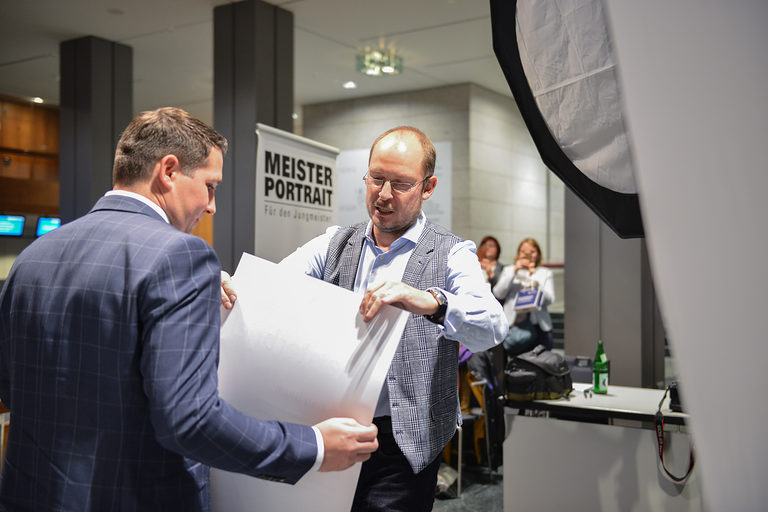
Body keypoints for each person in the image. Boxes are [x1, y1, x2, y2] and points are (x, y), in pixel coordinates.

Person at [0, 107, 378, 512]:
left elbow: (12, 386)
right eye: (210, 186)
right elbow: (190, 421)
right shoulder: (181, 256)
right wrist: (314, 446)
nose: (212, 206)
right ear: (168, 171)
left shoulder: (34, 256)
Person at [222, 126, 507, 511]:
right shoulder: (334, 243)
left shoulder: (452, 253)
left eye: (402, 184)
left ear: (428, 187)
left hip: (403, 440)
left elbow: (492, 325)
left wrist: (429, 300)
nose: (384, 195)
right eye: (376, 179)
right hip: (329, 427)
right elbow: (272, 288)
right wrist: (232, 288)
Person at [492, 237, 555, 357]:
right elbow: (498, 293)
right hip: (514, 327)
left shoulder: (545, 273)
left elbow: (550, 300)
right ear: (518, 253)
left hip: (539, 327)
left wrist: (536, 284)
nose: (527, 254)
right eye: (523, 251)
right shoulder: (509, 270)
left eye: (532, 251)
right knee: (515, 368)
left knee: (542, 365)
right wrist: (515, 271)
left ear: (538, 254)